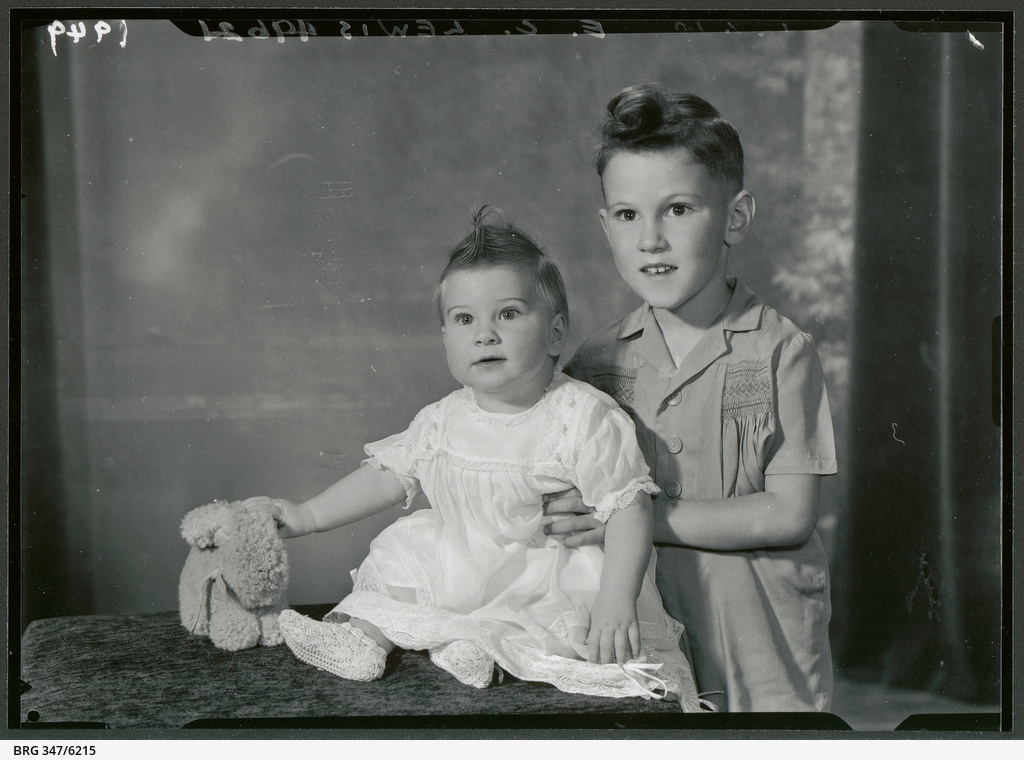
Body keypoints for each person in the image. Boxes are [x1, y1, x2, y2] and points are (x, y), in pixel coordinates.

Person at [244, 206, 700, 708]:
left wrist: (616, 598)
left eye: (508, 314)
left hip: (541, 572)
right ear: (445, 336)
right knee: (403, 553)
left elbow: (628, 506)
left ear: (555, 333)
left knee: (548, 611)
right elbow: (387, 475)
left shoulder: (580, 416)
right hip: (461, 563)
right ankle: (363, 638)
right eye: (464, 319)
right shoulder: (444, 418)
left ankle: (478, 646)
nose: (485, 334)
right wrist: (307, 515)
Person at [543, 84, 838, 712]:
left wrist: (635, 519)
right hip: (641, 644)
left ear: (735, 217)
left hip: (761, 649)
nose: (650, 239)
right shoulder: (594, 363)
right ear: (606, 227)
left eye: (677, 209)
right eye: (628, 215)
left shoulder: (783, 352)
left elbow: (788, 514)